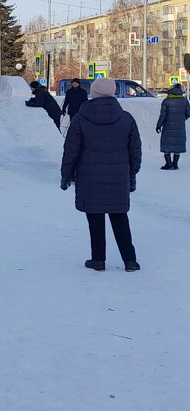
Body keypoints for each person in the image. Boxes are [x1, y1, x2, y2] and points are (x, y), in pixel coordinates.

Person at [60, 77, 141, 272]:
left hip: (90, 177)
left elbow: (71, 149)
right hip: (118, 176)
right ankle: (130, 260)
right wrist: (132, 173)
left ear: (93, 93)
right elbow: (135, 150)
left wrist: (66, 174)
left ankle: (98, 259)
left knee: (95, 218)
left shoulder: (80, 118)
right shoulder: (126, 118)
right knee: (120, 216)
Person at [156, 83, 187, 170]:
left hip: (167, 126)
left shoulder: (166, 101)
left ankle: (168, 163)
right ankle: (175, 164)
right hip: (180, 126)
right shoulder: (184, 101)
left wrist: (159, 125)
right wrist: (181, 119)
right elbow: (188, 113)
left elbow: (162, 115)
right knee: (178, 145)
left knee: (166, 145)